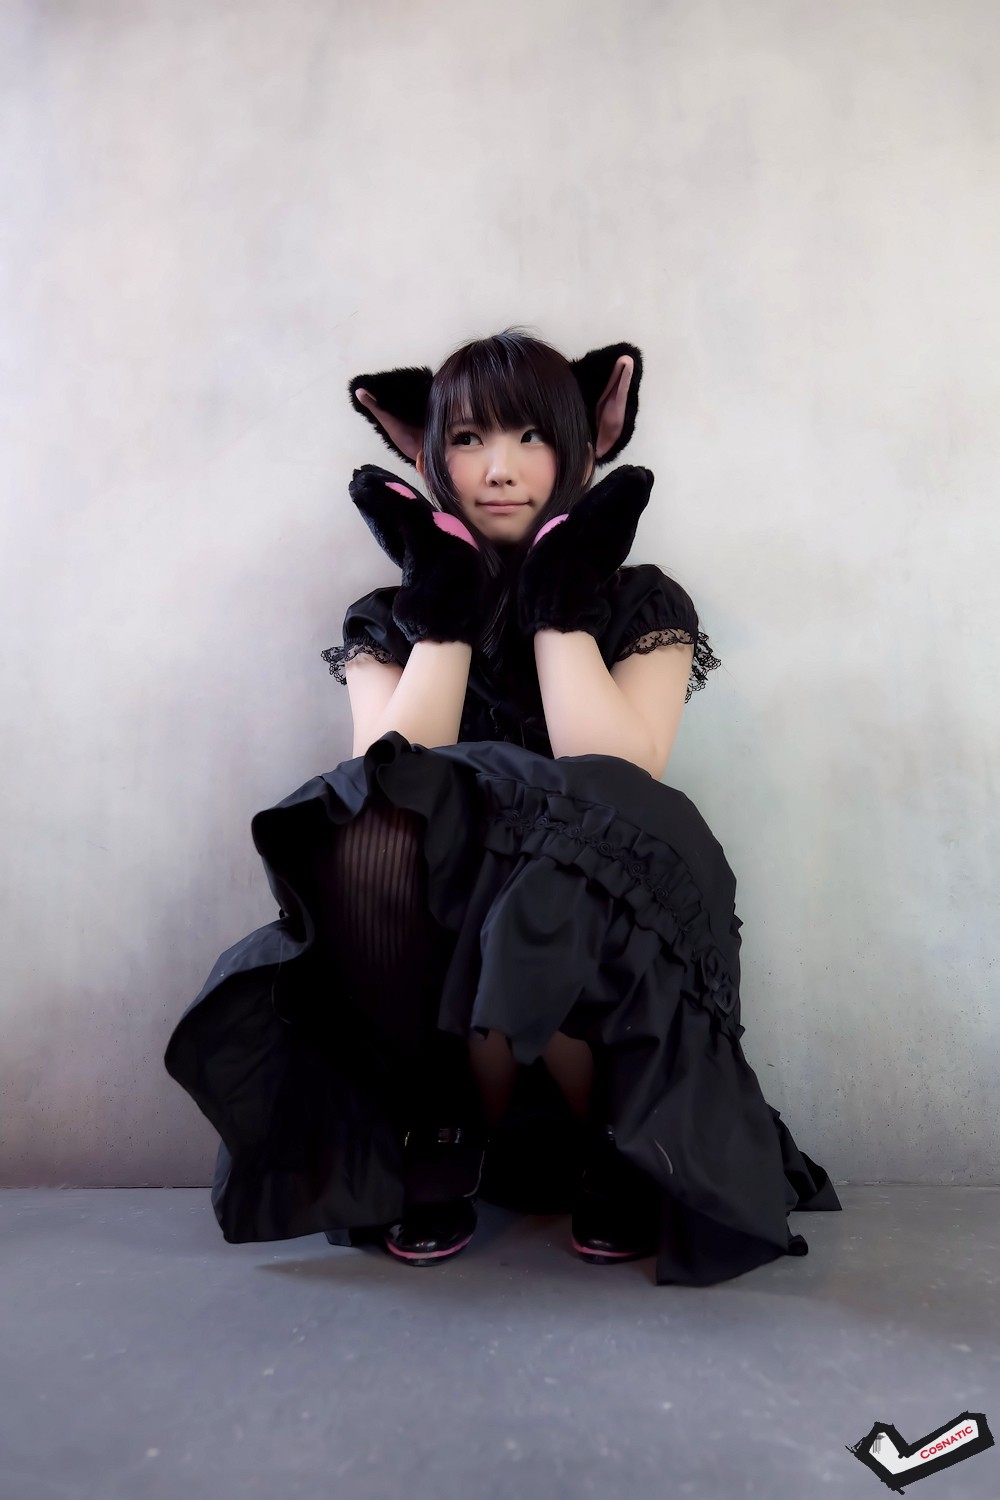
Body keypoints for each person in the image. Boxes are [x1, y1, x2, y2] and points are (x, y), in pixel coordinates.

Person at [164, 329, 841, 1286]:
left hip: (613, 919)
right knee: (374, 825)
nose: (499, 469)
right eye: (469, 438)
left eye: (530, 437)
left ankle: (611, 1133)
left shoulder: (642, 605)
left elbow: (619, 771)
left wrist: (558, 603)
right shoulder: (385, 618)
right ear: (428, 456)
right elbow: (381, 785)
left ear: (584, 442)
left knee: (559, 840)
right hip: (446, 971)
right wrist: (443, 609)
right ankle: (445, 1124)